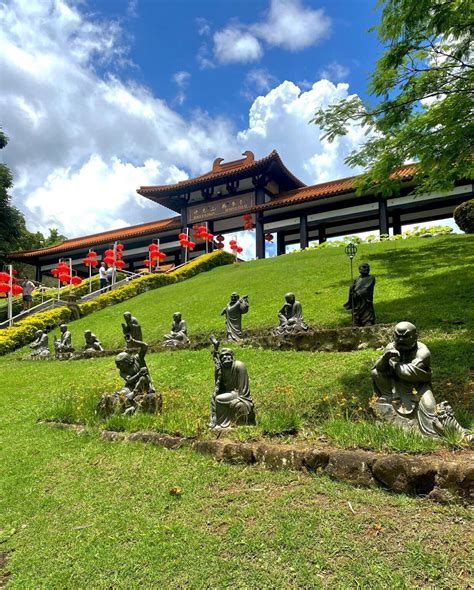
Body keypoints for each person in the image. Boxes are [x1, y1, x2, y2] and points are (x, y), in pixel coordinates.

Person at [371, 321, 472, 440]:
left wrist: (393, 363)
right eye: (397, 336)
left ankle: (454, 434)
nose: (401, 340)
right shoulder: (390, 347)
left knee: (431, 410)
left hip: (419, 388)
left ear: (415, 337)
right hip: (395, 386)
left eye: (405, 336)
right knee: (376, 372)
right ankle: (387, 396)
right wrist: (385, 358)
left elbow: (406, 373)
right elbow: (379, 368)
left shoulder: (423, 352)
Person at [208, 341, 255, 429]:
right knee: (217, 398)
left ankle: (222, 424)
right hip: (229, 393)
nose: (225, 357)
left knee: (219, 399)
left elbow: (244, 389)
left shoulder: (239, 366)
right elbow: (220, 387)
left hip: (239, 395)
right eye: (222, 356)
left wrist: (239, 399)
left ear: (232, 356)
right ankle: (221, 423)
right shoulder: (222, 368)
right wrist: (217, 373)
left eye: (228, 355)